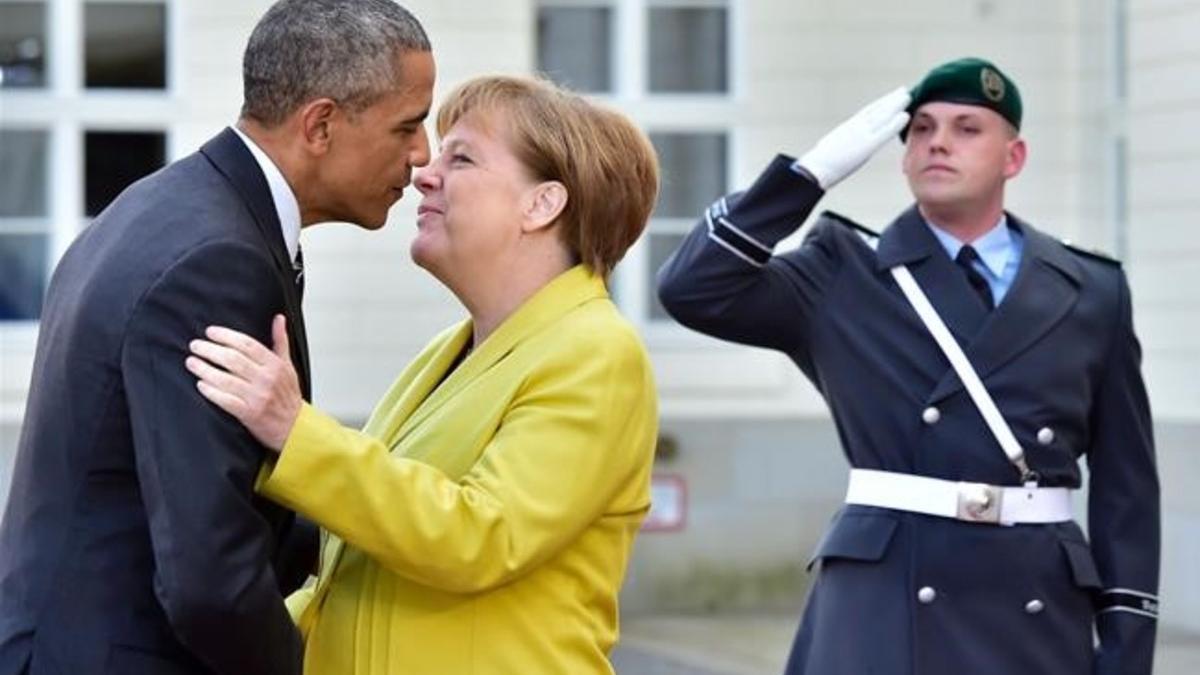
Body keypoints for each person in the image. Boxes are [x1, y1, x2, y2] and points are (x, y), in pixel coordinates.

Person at [658, 57, 1159, 675]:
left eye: (966, 128)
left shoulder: (1091, 289)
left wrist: (1126, 649)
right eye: (921, 129)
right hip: (884, 603)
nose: (938, 142)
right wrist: (804, 179)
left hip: (1035, 603)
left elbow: (1126, 491)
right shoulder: (843, 270)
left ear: (1014, 157)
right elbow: (693, 289)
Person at [0, 1, 433, 673]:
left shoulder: (165, 207)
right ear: (319, 124)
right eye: (408, 126)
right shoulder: (216, 258)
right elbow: (209, 576)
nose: (422, 155)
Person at [183, 75, 661, 674]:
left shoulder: (597, 353)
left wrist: (295, 429)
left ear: (542, 204)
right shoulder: (451, 350)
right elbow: (360, 557)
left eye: (461, 158)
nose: (424, 174)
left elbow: (480, 537)